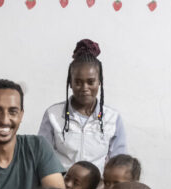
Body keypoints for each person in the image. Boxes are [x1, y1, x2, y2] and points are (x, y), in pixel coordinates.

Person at [38, 39, 126, 174]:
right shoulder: (53, 114)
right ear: (70, 83)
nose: (85, 88)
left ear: (99, 82)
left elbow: (119, 164)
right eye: (78, 82)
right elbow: (42, 159)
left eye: (91, 82)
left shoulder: (113, 118)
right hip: (62, 188)